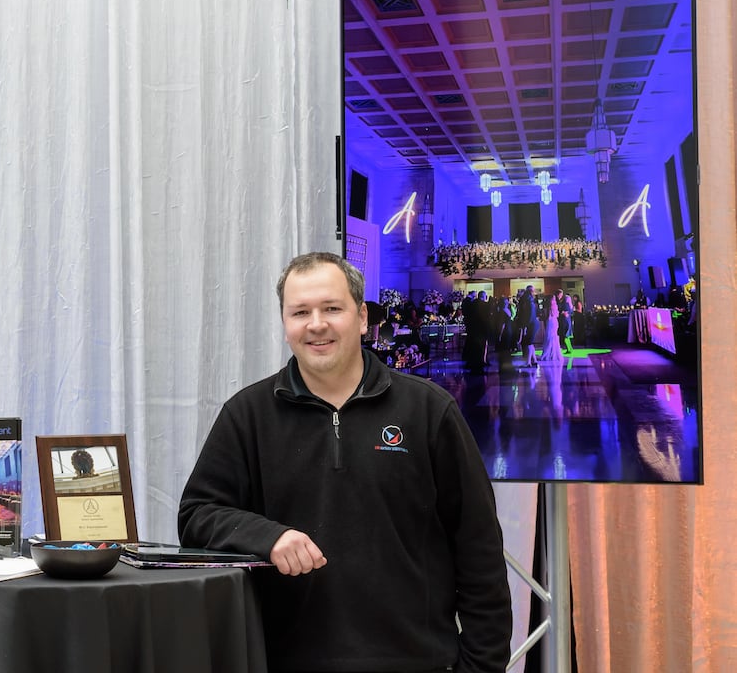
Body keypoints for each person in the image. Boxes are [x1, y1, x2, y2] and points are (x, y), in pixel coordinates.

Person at [179, 252, 511, 672]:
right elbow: (196, 515)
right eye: (300, 312)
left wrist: (480, 666)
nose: (316, 324)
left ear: (362, 318)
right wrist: (268, 537)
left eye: (332, 308)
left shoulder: (429, 411)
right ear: (285, 325)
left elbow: (479, 550)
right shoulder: (247, 415)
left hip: (418, 661)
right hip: (285, 661)